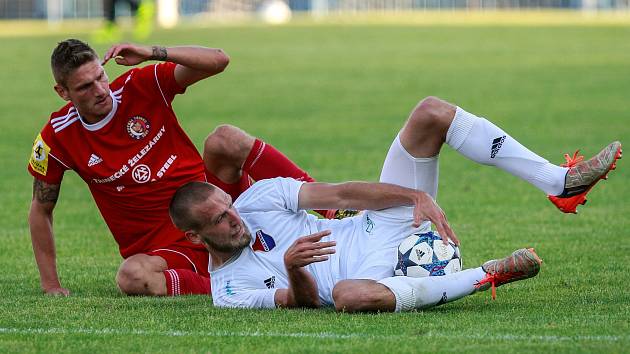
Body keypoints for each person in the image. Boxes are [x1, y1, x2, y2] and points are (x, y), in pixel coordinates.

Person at [169, 97, 621, 311]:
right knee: (349, 297)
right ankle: (491, 272)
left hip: (372, 227)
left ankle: (559, 182)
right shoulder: (228, 294)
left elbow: (342, 194)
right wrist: (292, 266)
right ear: (194, 236)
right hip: (363, 275)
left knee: (430, 113)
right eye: (222, 219)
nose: (235, 218)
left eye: (229, 206)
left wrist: (413, 196)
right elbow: (302, 305)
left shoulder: (256, 200)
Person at [27, 39, 341, 297]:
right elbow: (41, 209)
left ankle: (334, 212)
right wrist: (51, 284)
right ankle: (236, 285)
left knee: (224, 139)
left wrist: (153, 53)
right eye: (84, 86)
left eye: (100, 76)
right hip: (170, 249)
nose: (100, 90)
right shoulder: (57, 138)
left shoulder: (140, 85)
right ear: (63, 92)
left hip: (222, 210)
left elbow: (219, 60)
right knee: (132, 276)